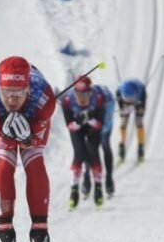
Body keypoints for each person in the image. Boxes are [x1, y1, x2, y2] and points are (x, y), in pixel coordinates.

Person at [0, 56, 56, 242]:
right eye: (6, 93)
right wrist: (5, 136)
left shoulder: (44, 98)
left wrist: (30, 137)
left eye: (17, 94)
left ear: (27, 90)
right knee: (4, 161)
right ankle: (4, 233)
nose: (11, 100)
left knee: (34, 161)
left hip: (34, 115)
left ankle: (40, 233)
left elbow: (38, 129)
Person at [62, 76, 106, 209]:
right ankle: (74, 187)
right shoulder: (67, 101)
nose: (82, 98)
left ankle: (98, 186)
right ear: (74, 92)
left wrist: (89, 119)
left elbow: (99, 124)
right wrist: (79, 122)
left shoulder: (98, 98)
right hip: (78, 127)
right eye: (79, 94)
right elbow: (69, 125)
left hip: (92, 127)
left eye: (86, 94)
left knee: (93, 149)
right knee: (79, 151)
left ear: (91, 92)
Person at [82, 82, 116, 198]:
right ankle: (87, 176)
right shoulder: (81, 99)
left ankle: (109, 179)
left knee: (104, 143)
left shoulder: (106, 102)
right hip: (96, 113)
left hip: (106, 109)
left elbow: (105, 126)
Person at [116, 77, 146, 164]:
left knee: (139, 121)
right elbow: (121, 107)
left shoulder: (141, 92)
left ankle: (141, 148)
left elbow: (142, 106)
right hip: (129, 95)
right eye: (127, 101)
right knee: (123, 122)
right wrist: (122, 108)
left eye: (130, 101)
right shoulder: (119, 92)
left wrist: (140, 108)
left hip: (139, 96)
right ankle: (121, 149)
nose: (129, 103)